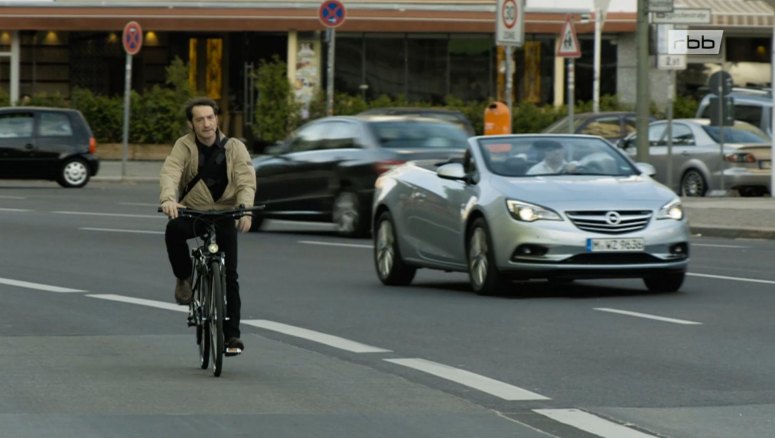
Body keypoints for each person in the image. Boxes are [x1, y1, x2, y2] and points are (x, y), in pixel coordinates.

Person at [159, 97, 256, 355]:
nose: (206, 123)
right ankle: (184, 277)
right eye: (200, 119)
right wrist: (169, 200)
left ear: (217, 119)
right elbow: (171, 172)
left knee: (230, 276)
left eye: (210, 118)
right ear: (191, 123)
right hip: (194, 211)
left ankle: (232, 337)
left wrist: (245, 209)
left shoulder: (235, 147)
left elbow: (246, 179)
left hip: (225, 213)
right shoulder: (184, 146)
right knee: (173, 231)